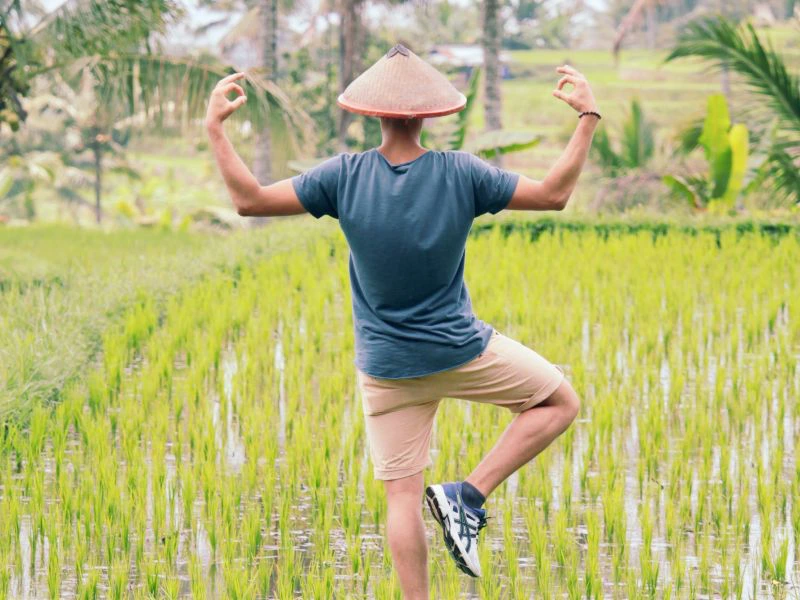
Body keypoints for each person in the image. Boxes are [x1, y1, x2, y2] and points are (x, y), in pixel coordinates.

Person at [205, 43, 599, 599]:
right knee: (560, 402)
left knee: (402, 498)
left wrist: (217, 129)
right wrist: (586, 117)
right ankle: (468, 494)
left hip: (386, 368)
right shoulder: (462, 172)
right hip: (461, 352)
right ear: (429, 115)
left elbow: (249, 201)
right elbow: (555, 195)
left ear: (373, 114)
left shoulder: (342, 176)